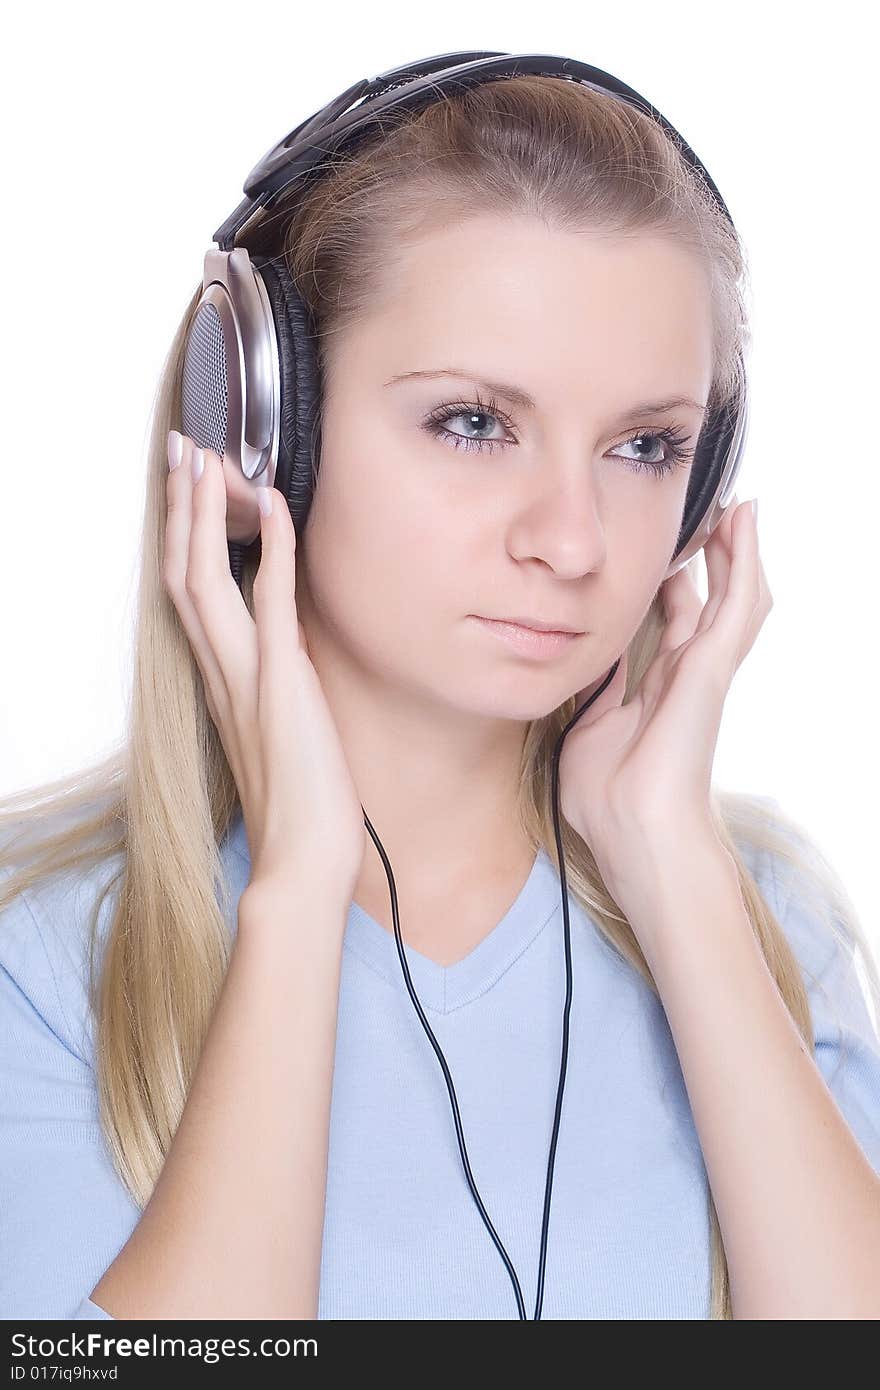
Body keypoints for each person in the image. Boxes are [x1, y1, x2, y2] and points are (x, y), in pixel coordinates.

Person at [2, 70, 879, 1323]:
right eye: (473, 422)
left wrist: (674, 868)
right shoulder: (39, 960)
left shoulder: (765, 926)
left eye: (644, 447)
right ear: (258, 428)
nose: (574, 542)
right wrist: (299, 890)